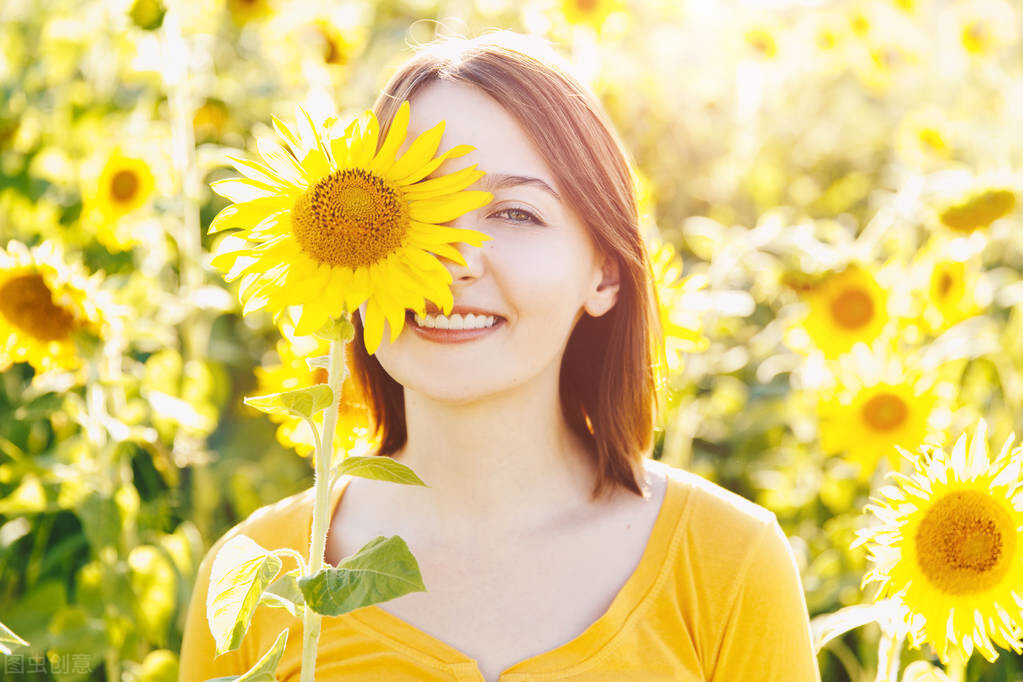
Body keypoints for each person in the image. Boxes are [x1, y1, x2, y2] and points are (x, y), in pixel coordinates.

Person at [179, 29, 821, 682]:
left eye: (514, 214)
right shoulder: (253, 577)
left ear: (605, 272)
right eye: (407, 207)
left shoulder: (726, 562)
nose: (449, 260)